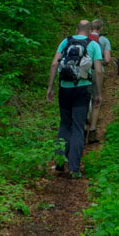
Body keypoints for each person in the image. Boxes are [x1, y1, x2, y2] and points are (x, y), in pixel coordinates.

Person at [46, 19, 103, 177]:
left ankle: (58, 163)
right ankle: (74, 169)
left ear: (76, 29)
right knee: (78, 127)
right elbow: (98, 71)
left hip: (64, 88)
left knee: (64, 124)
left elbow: (53, 64)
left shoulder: (65, 41)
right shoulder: (93, 45)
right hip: (82, 89)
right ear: (90, 29)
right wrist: (98, 93)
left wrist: (50, 88)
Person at [86, 18, 112, 144]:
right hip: (97, 72)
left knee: (85, 99)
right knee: (96, 100)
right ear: (101, 28)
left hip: (84, 72)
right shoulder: (104, 40)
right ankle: (92, 131)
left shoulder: (84, 39)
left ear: (91, 28)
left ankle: (85, 124)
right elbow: (107, 59)